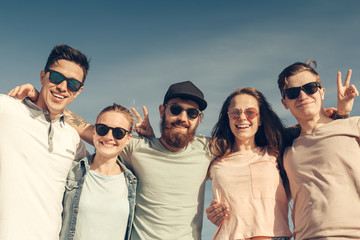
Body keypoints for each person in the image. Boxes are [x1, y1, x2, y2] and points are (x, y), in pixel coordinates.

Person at [62, 80, 212, 240]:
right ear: (162, 111)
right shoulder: (134, 146)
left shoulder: (208, 148)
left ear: (199, 118)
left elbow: (240, 148)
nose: (183, 117)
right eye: (175, 109)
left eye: (192, 113)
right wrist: (40, 98)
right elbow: (90, 129)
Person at [0, 44, 89, 240]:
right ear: (43, 76)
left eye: (73, 84)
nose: (63, 87)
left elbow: (104, 159)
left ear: (79, 90)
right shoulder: (6, 108)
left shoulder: (72, 138)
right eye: (57, 77)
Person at [278, 60, 360, 239]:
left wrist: (342, 117)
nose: (302, 95)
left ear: (322, 92)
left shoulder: (354, 126)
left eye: (310, 88)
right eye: (292, 92)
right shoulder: (286, 151)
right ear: (285, 102)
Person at [207, 88, 292, 240]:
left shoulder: (276, 152)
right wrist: (212, 213)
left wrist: (337, 116)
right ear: (228, 118)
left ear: (260, 120)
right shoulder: (214, 159)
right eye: (235, 113)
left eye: (250, 112)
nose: (242, 117)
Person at [60, 103, 137, 240]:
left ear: (128, 139)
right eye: (103, 129)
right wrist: (38, 96)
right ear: (94, 131)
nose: (108, 137)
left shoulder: (133, 182)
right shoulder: (71, 172)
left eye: (118, 132)